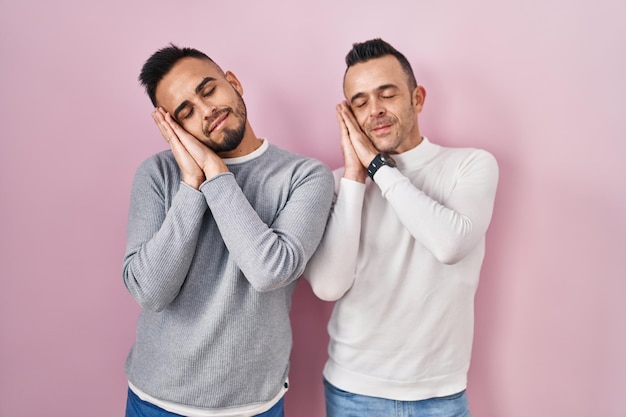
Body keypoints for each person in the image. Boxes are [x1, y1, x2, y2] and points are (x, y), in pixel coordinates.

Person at [122, 44, 334, 417]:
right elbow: (150, 291)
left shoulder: (304, 176)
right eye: (186, 112)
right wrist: (191, 184)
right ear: (173, 127)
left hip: (254, 404)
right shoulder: (156, 175)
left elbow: (270, 271)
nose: (207, 111)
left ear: (233, 82)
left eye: (209, 90)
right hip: (155, 399)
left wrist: (215, 174)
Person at [304, 38, 499, 417]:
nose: (374, 111)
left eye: (387, 95)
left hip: (440, 395)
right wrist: (355, 179)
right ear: (349, 116)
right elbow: (328, 286)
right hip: (352, 392)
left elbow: (449, 245)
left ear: (417, 98)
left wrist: (379, 166)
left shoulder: (470, 166)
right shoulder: (337, 185)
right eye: (359, 103)